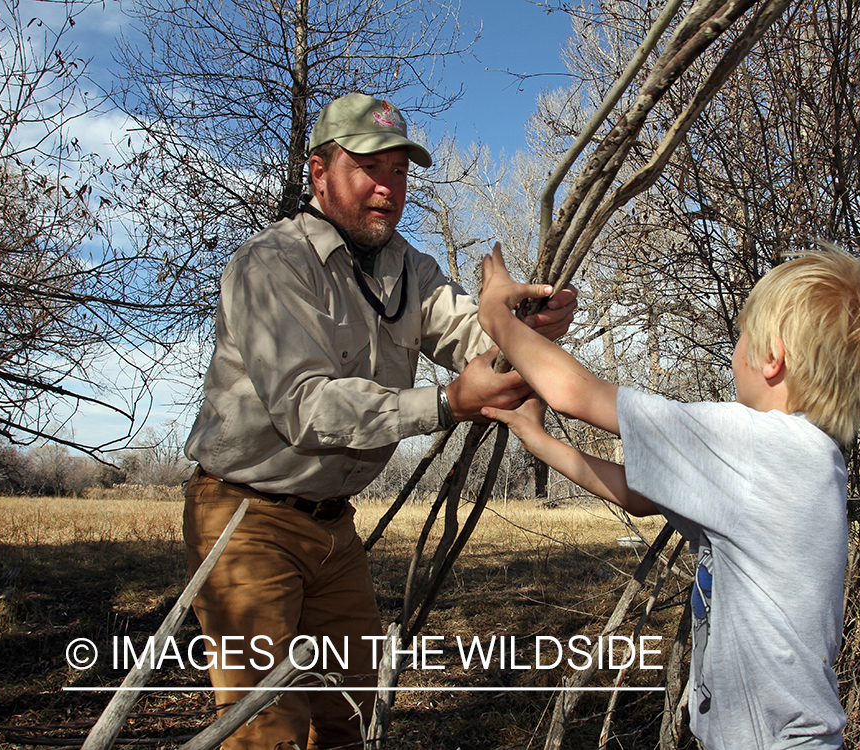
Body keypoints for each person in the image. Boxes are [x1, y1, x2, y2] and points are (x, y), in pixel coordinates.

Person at [182, 94, 576, 750]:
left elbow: (469, 332)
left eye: (398, 171)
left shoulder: (410, 268)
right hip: (244, 523)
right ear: (318, 173)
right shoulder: (269, 265)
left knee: (353, 720)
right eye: (368, 167)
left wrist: (522, 323)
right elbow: (306, 408)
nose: (386, 188)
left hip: (334, 529)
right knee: (265, 731)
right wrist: (446, 404)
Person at [476, 243, 860, 750]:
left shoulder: (759, 446)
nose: (735, 352)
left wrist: (495, 314)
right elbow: (641, 497)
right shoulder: (808, 461)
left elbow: (574, 393)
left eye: (742, 336)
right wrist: (542, 442)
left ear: (772, 357)